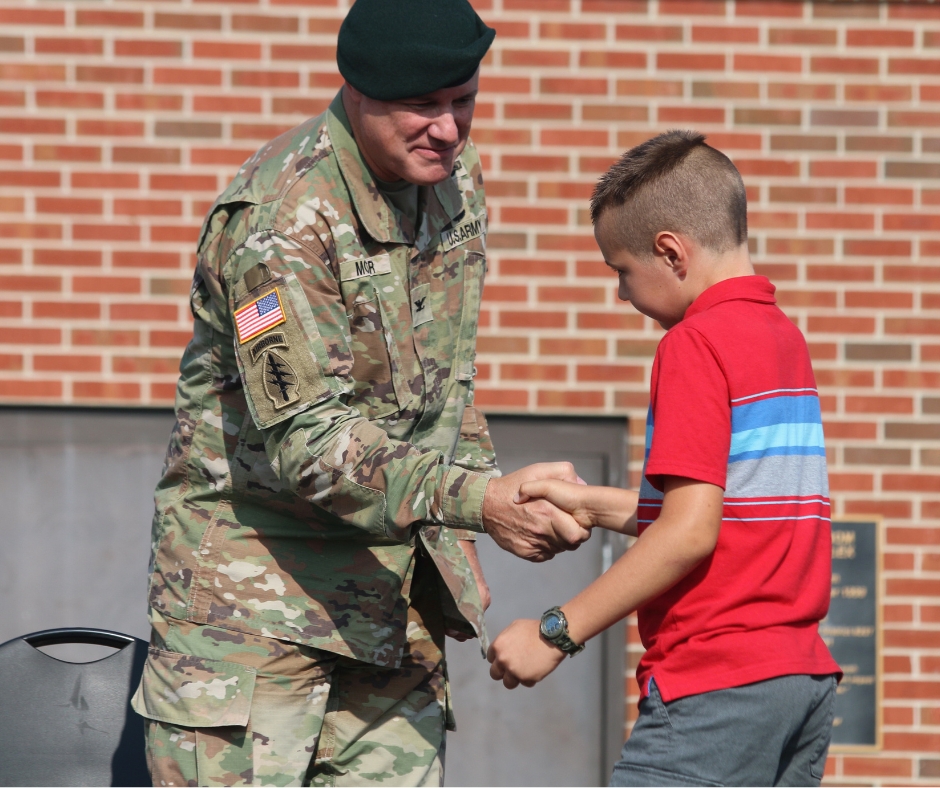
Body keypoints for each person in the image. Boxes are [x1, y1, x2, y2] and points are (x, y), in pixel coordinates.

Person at [130, 1, 588, 784]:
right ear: (359, 91)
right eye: (423, 105)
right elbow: (310, 445)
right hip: (256, 616)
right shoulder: (281, 222)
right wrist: (478, 501)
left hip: (390, 603)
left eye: (464, 100)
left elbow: (444, 380)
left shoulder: (453, 180)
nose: (448, 128)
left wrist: (481, 513)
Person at [486, 130, 842, 788]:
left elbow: (689, 533)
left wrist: (555, 631)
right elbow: (732, 517)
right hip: (801, 682)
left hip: (717, 687)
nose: (622, 294)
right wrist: (590, 505)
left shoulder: (694, 344)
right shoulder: (782, 339)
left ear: (671, 252)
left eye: (621, 271)